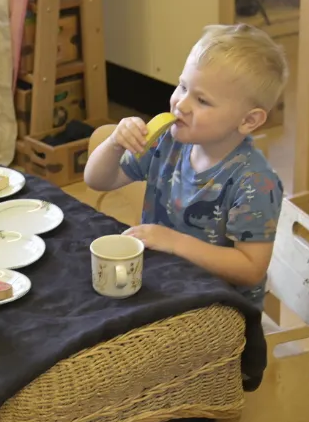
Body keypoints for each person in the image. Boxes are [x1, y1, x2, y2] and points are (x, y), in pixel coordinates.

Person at [84, 23, 288, 309]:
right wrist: (115, 143)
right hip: (163, 282)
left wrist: (174, 242)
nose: (181, 104)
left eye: (202, 100)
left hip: (220, 310)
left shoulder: (254, 182)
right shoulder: (168, 141)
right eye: (182, 86)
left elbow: (251, 268)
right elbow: (98, 180)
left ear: (248, 121)